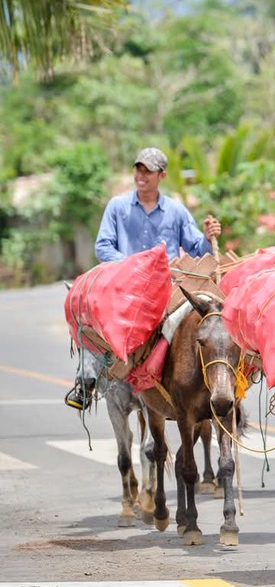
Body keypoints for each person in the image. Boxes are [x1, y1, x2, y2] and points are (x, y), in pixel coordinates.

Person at [65, 147, 221, 410]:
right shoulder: (117, 207)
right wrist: (133, 267)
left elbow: (198, 250)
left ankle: (202, 381)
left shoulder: (176, 211)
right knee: (92, 317)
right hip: (125, 286)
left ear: (162, 175)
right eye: (138, 168)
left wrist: (207, 237)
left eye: (148, 170)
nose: (141, 175)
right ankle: (85, 383)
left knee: (202, 322)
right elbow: (103, 247)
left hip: (168, 288)